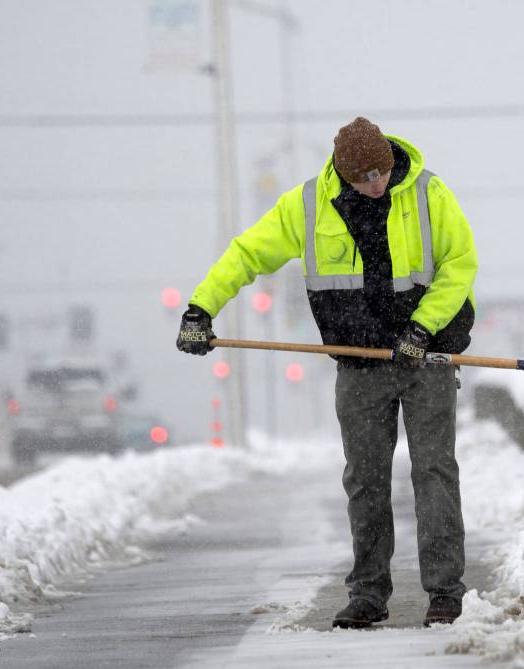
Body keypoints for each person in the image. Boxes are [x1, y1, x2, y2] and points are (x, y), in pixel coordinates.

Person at [176, 117, 478, 628]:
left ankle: (446, 593)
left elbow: (460, 263)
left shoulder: (428, 193)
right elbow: (247, 253)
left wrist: (421, 329)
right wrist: (200, 309)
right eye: (364, 177)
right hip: (359, 363)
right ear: (343, 173)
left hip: (425, 357)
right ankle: (368, 593)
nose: (376, 183)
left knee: (434, 472)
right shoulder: (308, 206)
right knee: (365, 480)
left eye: (381, 171)